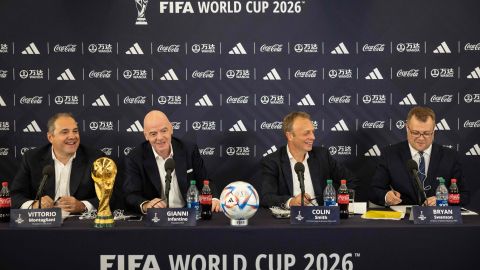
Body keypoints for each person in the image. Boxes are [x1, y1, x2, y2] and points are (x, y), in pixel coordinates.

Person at [123, 110, 220, 214]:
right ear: (146, 136)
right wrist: (146, 205)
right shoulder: (135, 157)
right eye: (153, 133)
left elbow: (205, 181)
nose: (160, 137)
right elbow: (130, 195)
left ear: (171, 129)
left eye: (164, 131)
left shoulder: (189, 149)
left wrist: (214, 199)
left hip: (188, 214)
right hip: (156, 218)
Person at [369, 106, 470, 206]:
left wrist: (443, 200)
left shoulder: (450, 156)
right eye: (415, 133)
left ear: (434, 130)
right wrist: (387, 196)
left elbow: (464, 195)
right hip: (403, 220)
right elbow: (374, 191)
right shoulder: (390, 154)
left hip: (438, 219)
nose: (421, 138)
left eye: (426, 133)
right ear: (407, 128)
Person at [261, 111, 359, 208]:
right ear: (290, 136)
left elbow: (351, 181)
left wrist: (334, 201)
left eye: (312, 132)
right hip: (290, 220)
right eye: (306, 133)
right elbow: (267, 197)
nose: (313, 137)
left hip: (323, 217)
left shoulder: (322, 156)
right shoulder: (273, 161)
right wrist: (291, 202)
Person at [11, 112, 103, 214]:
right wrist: (35, 204)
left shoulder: (96, 158)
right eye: (65, 132)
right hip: (43, 223)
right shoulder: (32, 158)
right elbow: (15, 196)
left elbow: (110, 197)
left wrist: (82, 206)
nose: (72, 136)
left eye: (75, 131)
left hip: (80, 223)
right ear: (50, 137)